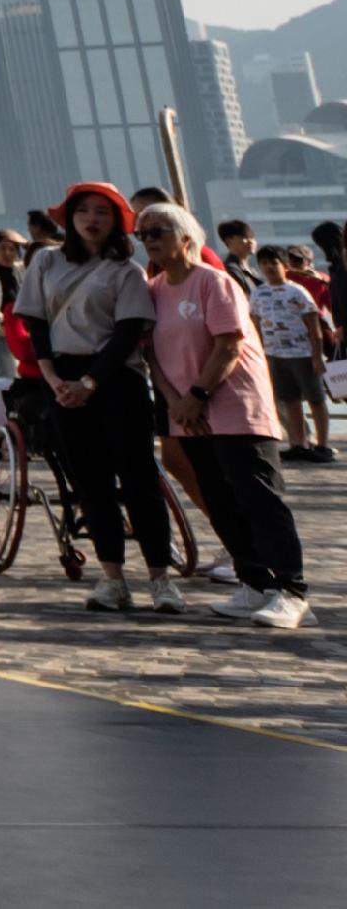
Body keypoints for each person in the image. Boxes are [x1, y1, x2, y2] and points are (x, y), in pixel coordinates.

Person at [15, 182, 185, 614]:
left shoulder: (125, 272)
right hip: (61, 379)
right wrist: (54, 378)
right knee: (90, 483)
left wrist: (89, 383)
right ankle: (112, 579)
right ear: (69, 218)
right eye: (84, 211)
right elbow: (35, 322)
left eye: (103, 213)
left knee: (139, 480)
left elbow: (128, 332)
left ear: (117, 223)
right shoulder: (46, 262)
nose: (92, 219)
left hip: (116, 379)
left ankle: (161, 578)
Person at [141, 203, 306, 628]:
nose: (150, 239)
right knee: (218, 499)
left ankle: (290, 590)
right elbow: (152, 357)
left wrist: (197, 394)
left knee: (259, 499)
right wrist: (178, 402)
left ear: (185, 236)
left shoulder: (213, 282)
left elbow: (229, 345)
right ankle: (254, 582)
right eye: (143, 234)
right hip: (188, 413)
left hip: (235, 408)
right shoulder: (154, 289)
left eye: (159, 230)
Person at [252, 245, 334, 465]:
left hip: (302, 353)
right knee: (290, 400)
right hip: (274, 354)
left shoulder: (297, 291)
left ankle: (322, 444)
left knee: (316, 399)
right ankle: (298, 443)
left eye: (274, 263)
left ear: (285, 266)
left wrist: (317, 357)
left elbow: (314, 327)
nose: (269, 267)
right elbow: (255, 325)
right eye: (264, 263)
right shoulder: (258, 293)